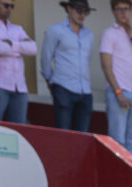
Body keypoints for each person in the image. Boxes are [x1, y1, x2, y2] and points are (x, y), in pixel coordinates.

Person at [99, 0, 132, 156]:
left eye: (126, 9)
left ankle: (129, 179)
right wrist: (117, 91)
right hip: (118, 92)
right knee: (117, 141)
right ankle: (118, 179)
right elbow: (106, 65)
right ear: (113, 11)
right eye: (119, 9)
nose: (123, 13)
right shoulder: (109, 33)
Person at [41, 0, 95, 131]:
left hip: (85, 90)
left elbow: (87, 59)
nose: (82, 15)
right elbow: (46, 58)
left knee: (82, 137)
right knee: (63, 134)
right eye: (79, 11)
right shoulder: (55, 30)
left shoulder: (89, 35)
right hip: (63, 87)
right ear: (69, 8)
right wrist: (50, 80)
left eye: (85, 12)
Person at [0, 0, 36, 123]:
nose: (9, 9)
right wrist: (21, 47)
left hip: (20, 87)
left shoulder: (17, 28)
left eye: (11, 6)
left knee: (18, 131)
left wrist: (11, 43)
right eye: (6, 5)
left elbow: (33, 48)